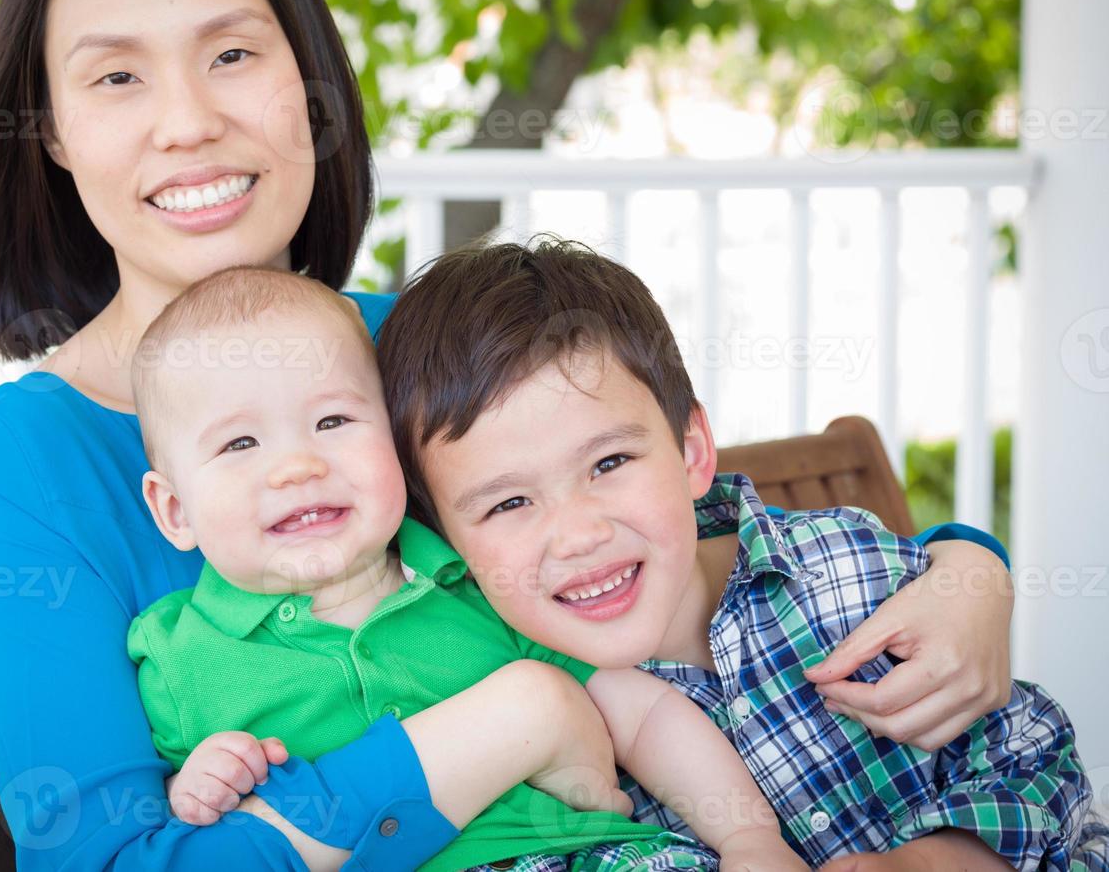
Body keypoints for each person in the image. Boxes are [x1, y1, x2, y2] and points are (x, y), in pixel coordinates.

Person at [0, 0, 1020, 866]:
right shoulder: (31, 454)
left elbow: (685, 511)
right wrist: (518, 714)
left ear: (309, 82)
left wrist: (969, 571)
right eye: (116, 75)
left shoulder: (414, 341)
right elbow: (107, 860)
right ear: (52, 131)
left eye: (234, 54)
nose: (190, 119)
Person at [373, 238, 1109, 871]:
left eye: (609, 464)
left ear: (691, 451)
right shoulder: (505, 720)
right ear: (447, 542)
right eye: (508, 503)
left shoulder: (846, 574)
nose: (577, 535)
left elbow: (1032, 748)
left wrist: (950, 855)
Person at [123, 266, 807, 872]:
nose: (299, 465)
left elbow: (646, 716)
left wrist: (749, 838)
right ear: (176, 509)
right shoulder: (177, 653)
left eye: (333, 421)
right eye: (241, 442)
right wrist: (200, 784)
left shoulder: (482, 584)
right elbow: (185, 820)